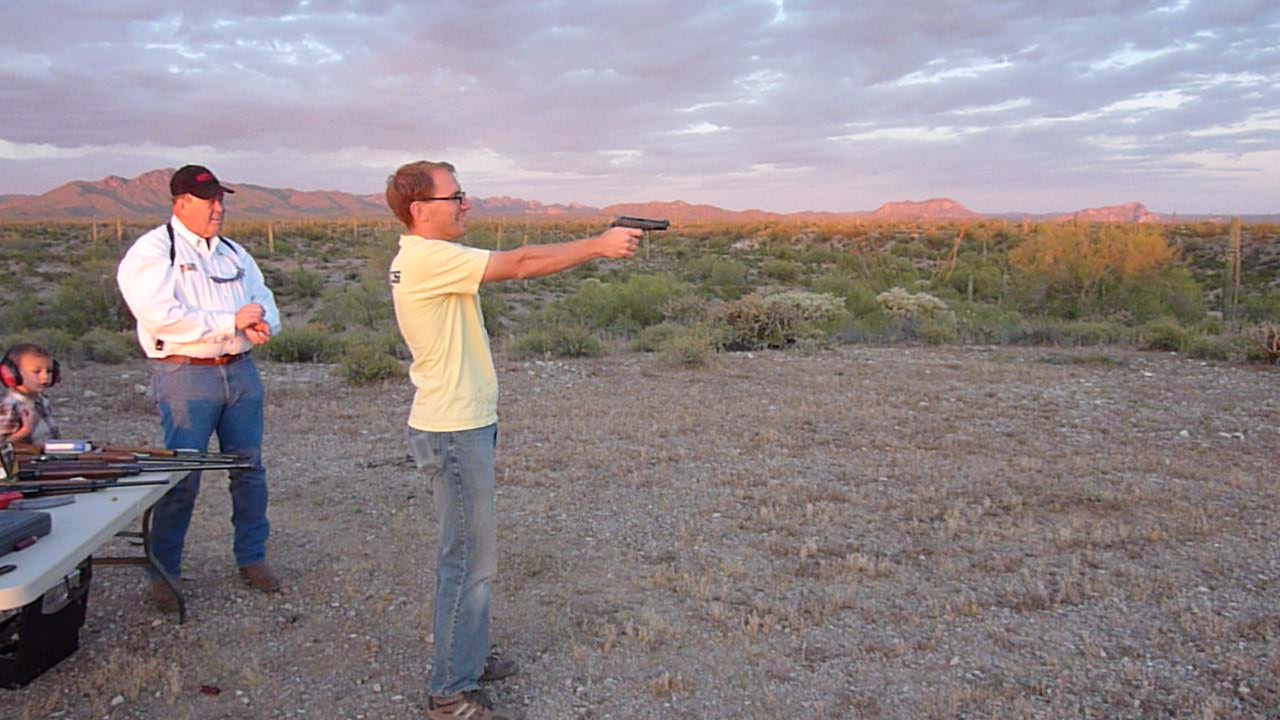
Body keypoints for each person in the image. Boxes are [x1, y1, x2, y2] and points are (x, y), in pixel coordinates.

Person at [387, 161, 641, 720]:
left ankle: (467, 659)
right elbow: (522, 263)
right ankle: (449, 690)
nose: (466, 205)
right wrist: (599, 246)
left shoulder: (425, 256)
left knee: (472, 558)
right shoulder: (429, 258)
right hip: (454, 429)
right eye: (455, 197)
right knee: (468, 562)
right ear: (420, 210)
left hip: (459, 424)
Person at [116, 164, 282, 612]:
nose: (218, 209)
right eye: (208, 201)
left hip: (240, 372)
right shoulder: (153, 252)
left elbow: (262, 298)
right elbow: (161, 317)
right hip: (186, 375)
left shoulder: (233, 253)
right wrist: (230, 322)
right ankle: (164, 571)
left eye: (220, 200)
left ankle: (252, 557)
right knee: (182, 474)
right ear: (181, 203)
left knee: (249, 468)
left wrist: (264, 324)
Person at [0, 343, 62, 446]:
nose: (45, 377)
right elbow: (2, 446)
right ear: (12, 374)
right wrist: (26, 430)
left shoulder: (41, 400)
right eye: (36, 372)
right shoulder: (11, 406)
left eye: (49, 371)